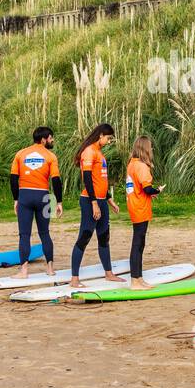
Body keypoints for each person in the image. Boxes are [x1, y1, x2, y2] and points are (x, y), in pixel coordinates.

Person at [69, 123, 124, 289]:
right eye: (108, 138)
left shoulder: (99, 153)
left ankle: (109, 274)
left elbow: (100, 180)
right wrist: (94, 203)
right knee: (84, 237)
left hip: (101, 200)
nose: (108, 141)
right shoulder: (89, 152)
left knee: (104, 237)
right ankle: (74, 279)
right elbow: (87, 179)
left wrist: (109, 199)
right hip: (89, 201)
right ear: (100, 135)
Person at [10, 126, 63, 279]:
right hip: (45, 197)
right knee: (45, 233)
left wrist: (16, 199)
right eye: (51, 137)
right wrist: (59, 202)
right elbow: (56, 180)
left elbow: (13, 179)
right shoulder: (51, 156)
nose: (52, 140)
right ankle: (50, 269)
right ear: (43, 139)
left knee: (24, 235)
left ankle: (24, 271)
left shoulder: (20, 154)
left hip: (25, 196)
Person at [124, 136, 164, 290]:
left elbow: (139, 188)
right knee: (138, 243)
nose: (152, 150)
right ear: (145, 149)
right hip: (139, 207)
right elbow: (147, 188)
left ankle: (139, 278)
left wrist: (149, 192)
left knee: (140, 243)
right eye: (150, 147)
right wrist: (157, 191)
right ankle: (135, 281)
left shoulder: (132, 164)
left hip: (135, 205)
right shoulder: (141, 166)